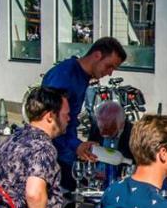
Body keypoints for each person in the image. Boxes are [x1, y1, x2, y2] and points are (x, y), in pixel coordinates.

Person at [0, 87, 86, 208]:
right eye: (66, 115)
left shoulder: (13, 138)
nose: (70, 120)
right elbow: (34, 194)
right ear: (50, 116)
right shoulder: (42, 147)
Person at [41, 37, 126, 189]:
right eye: (109, 66)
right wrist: (75, 145)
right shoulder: (65, 75)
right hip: (53, 154)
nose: (110, 73)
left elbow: (70, 120)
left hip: (65, 151)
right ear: (97, 55)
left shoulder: (82, 76)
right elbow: (51, 119)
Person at [85, 99, 133, 186]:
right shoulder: (95, 128)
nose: (104, 133)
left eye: (109, 128)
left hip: (120, 183)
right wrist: (93, 171)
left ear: (121, 124)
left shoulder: (132, 134)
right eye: (101, 127)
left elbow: (133, 164)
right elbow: (89, 156)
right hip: (96, 182)